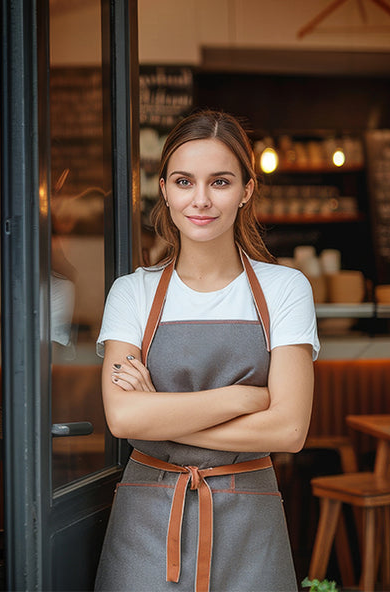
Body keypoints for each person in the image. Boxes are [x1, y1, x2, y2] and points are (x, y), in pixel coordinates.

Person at [94, 109, 319, 591]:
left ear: (246, 190)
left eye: (220, 182)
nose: (201, 200)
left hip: (250, 517)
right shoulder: (131, 292)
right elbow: (122, 420)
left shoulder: (285, 289)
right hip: (146, 517)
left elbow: (290, 427)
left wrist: (159, 413)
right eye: (183, 181)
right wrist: (241, 399)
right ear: (165, 190)